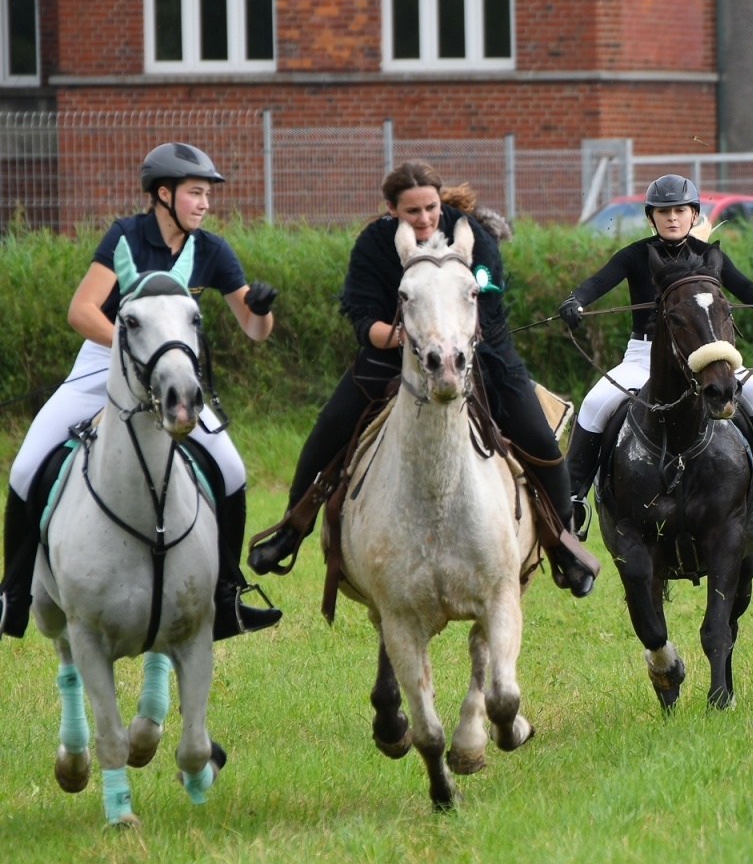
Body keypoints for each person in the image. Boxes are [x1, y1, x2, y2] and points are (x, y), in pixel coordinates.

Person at [247, 161, 599, 594]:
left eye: (431, 207)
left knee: (540, 439)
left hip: (482, 355)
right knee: (328, 430)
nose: (426, 218)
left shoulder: (471, 235)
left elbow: (485, 300)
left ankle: (564, 545)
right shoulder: (374, 244)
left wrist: (449, 342)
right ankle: (291, 530)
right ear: (392, 209)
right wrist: (408, 339)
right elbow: (362, 319)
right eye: (412, 211)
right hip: (391, 354)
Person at [1, 142, 282, 640]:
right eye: (195, 193)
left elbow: (255, 330)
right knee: (25, 467)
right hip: (106, 362)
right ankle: (13, 595)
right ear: (163, 194)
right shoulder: (126, 236)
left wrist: (259, 309)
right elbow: (82, 311)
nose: (205, 204)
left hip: (173, 377)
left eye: (207, 195)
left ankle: (226, 594)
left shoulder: (212, 249)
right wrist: (134, 352)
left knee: (234, 472)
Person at [558, 173, 753, 532]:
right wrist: (576, 300)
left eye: (680, 210)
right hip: (645, 357)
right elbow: (598, 282)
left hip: (705, 355)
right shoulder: (634, 255)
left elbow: (742, 284)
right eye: (664, 211)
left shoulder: (707, 254)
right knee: (594, 403)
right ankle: (573, 500)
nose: (672, 218)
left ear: (693, 214)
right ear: (651, 217)